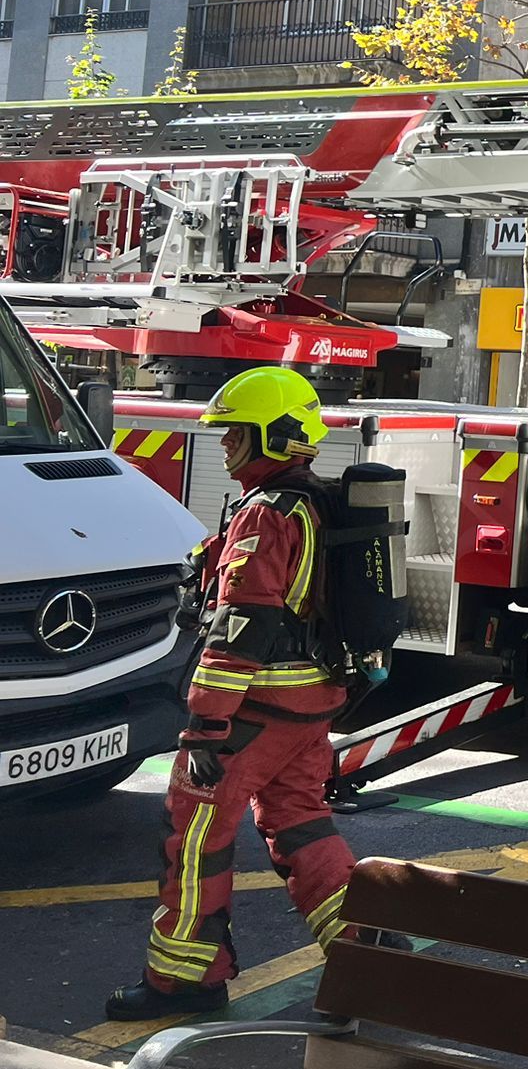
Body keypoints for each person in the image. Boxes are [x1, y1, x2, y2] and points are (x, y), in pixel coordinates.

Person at [106, 368, 358, 1019]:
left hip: (255, 714)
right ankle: (369, 959)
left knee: (195, 838)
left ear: (267, 437)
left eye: (233, 436)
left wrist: (204, 728)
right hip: (309, 707)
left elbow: (241, 629)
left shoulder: (267, 516)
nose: (223, 448)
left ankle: (183, 980)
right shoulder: (315, 502)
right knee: (302, 827)